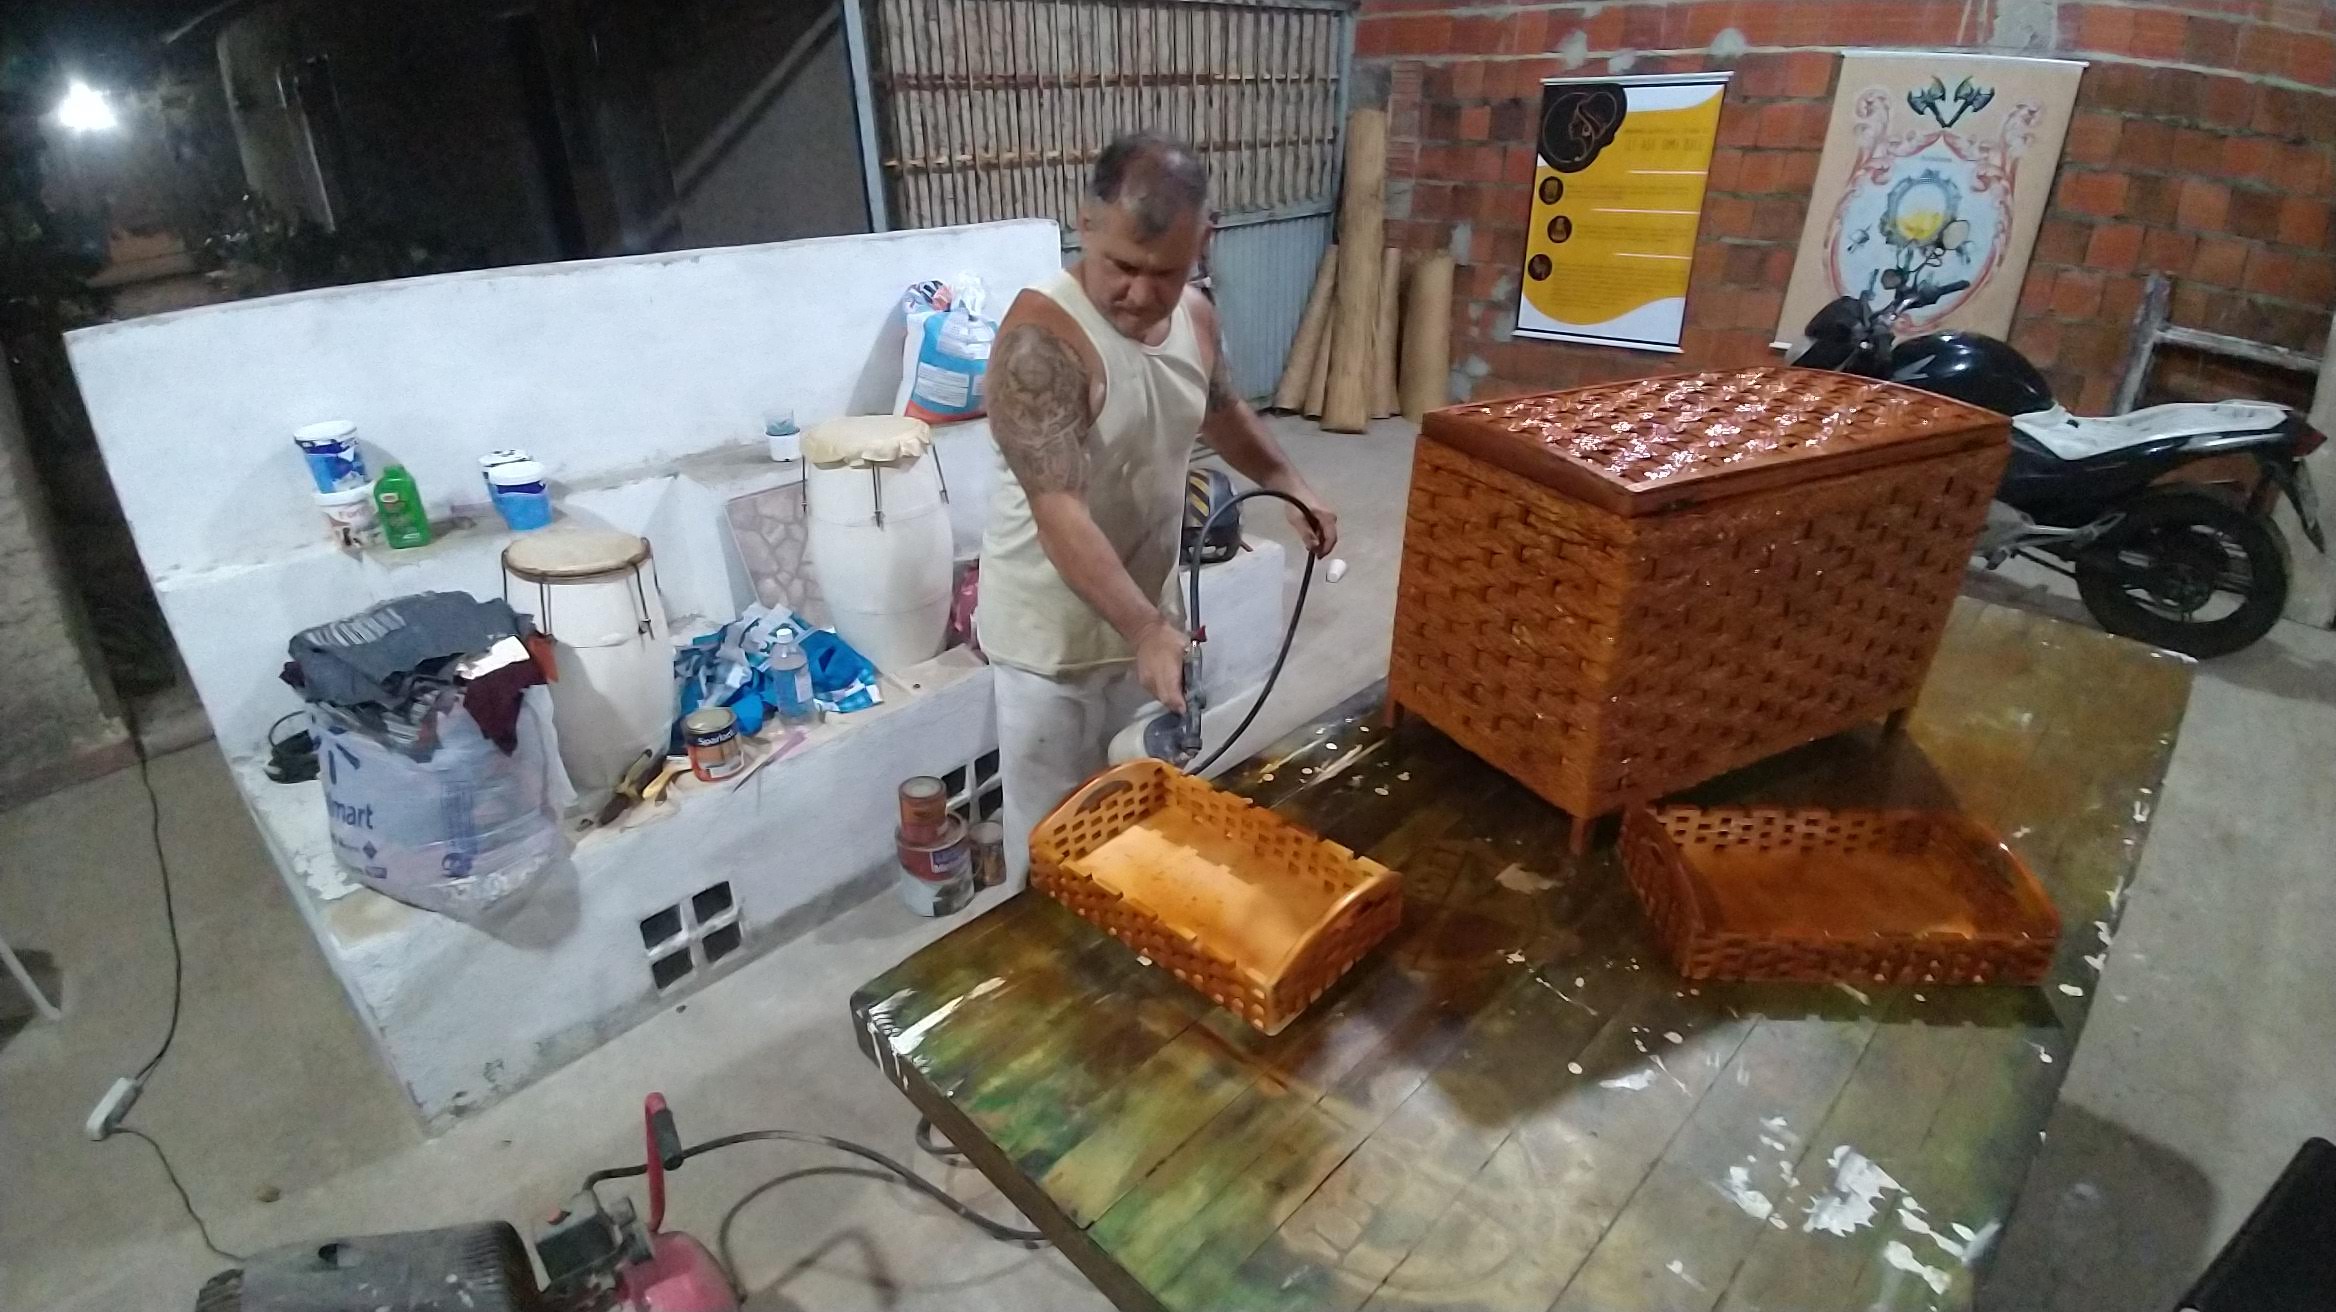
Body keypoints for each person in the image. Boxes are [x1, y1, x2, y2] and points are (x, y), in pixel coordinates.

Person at [979, 130, 1339, 886]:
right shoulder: (1041, 342)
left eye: (1165, 273)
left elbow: (1221, 412)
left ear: (1203, 243)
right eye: (1122, 266)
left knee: (1134, 824)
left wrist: (1290, 481)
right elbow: (1058, 510)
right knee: (1051, 847)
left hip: (1147, 619)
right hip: (1050, 641)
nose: (1141, 294)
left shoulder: (1197, 319)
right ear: (1085, 224)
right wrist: (1144, 628)